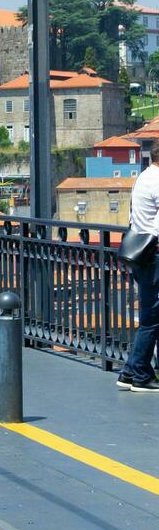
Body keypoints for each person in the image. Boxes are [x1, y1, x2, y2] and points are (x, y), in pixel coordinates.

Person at [118, 161, 159, 391]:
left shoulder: (143, 176)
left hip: (140, 253)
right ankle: (141, 376)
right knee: (152, 318)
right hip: (153, 254)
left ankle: (129, 372)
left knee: (150, 315)